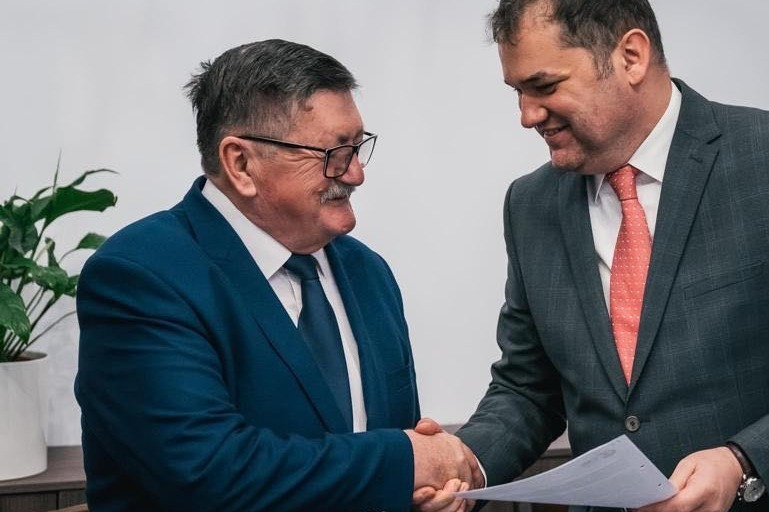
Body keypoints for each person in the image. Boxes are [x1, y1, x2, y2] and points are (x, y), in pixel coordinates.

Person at [451, 1, 769, 511]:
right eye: (518, 92)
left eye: (544, 86)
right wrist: (465, 464)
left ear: (631, 57)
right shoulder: (530, 204)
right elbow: (528, 389)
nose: (527, 115)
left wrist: (744, 461)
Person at [75, 39, 478, 512]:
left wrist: (426, 495)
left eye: (357, 147)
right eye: (334, 153)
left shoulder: (368, 272)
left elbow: (388, 450)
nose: (355, 174)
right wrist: (405, 462)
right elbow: (209, 472)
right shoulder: (141, 277)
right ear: (241, 164)